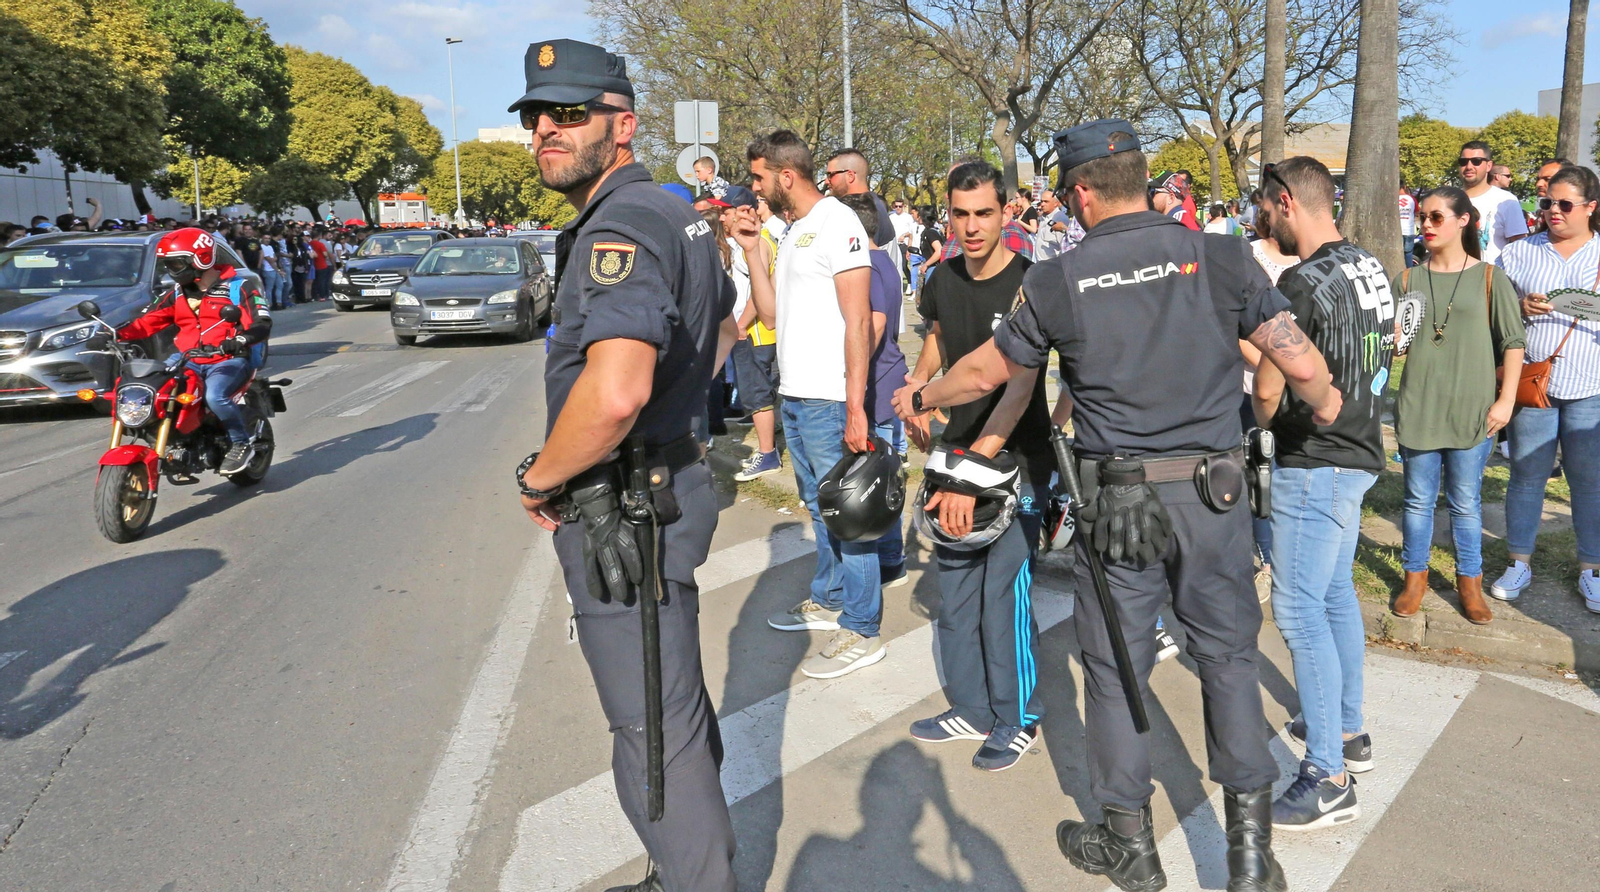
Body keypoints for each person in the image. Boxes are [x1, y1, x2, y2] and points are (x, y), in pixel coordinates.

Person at [898, 120, 1341, 892]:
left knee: (1113, 671)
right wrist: (1325, 398)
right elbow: (1292, 350)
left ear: (1078, 194)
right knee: (1231, 662)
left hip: (1121, 505)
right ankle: (1250, 858)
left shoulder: (1060, 278)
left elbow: (984, 373)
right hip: (1215, 496)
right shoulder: (1221, 254)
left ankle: (1131, 846)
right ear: (1145, 178)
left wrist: (920, 394)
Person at [510, 39, 740, 892]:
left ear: (624, 125)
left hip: (626, 507)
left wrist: (543, 476)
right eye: (536, 115)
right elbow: (718, 333)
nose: (546, 130)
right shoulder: (677, 214)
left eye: (570, 114)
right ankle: (680, 868)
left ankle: (694, 878)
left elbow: (612, 394)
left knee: (652, 733)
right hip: (663, 484)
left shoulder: (620, 225)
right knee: (672, 704)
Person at [898, 161, 1053, 771]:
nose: (970, 226)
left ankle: (1019, 719)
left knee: (1002, 597)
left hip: (1015, 458)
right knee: (956, 594)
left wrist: (970, 471)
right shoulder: (940, 278)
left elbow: (1018, 389)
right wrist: (917, 387)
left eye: (983, 213)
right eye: (959, 214)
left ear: (1007, 210)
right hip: (954, 451)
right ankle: (971, 707)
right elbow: (938, 334)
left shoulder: (1032, 284)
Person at [1252, 156, 1391, 831]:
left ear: (1285, 201)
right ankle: (1349, 731)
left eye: (1263, 208)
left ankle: (1327, 776)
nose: (1260, 220)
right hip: (1360, 449)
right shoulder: (1368, 264)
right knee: (1334, 596)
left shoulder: (1300, 283)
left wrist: (1253, 390)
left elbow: (1278, 382)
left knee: (1300, 611)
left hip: (1317, 459)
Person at [735, 130, 885, 680]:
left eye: (758, 177)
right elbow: (772, 315)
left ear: (785, 175)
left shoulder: (838, 223)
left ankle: (864, 629)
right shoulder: (796, 230)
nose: (755, 188)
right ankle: (830, 599)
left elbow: (859, 321)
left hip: (827, 398)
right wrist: (752, 251)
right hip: (795, 396)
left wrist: (855, 405)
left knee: (851, 517)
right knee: (821, 510)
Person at [1387, 186, 1527, 623]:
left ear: (1463, 220)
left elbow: (1513, 342)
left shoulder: (1489, 278)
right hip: (1419, 406)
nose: (1426, 225)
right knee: (1417, 501)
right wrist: (1392, 343)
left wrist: (1505, 402)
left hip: (1472, 410)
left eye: (1436, 218)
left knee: (1465, 503)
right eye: (1423, 218)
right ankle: (1415, 578)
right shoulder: (1407, 279)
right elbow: (1397, 347)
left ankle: (1470, 582)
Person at [1491, 165, 1600, 611]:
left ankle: (1591, 569)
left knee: (1589, 482)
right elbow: (1491, 307)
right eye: (1547, 202)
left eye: (1565, 204)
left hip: (1590, 385)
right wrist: (1517, 305)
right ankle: (1519, 561)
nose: (1553, 211)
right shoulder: (1520, 254)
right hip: (1533, 384)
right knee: (1526, 477)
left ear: (1591, 208)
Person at [102, 228, 272, 475]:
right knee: (148, 388)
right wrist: (115, 334)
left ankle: (240, 443)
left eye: (176, 263)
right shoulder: (177, 293)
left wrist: (241, 339)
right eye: (168, 264)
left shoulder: (239, 288)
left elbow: (262, 323)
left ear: (201, 259)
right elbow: (149, 320)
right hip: (187, 358)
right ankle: (172, 435)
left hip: (228, 359)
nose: (171, 270)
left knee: (215, 396)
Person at [839, 192, 911, 584]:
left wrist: (854, 377)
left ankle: (889, 561)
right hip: (885, 381)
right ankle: (890, 557)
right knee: (885, 479)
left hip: (879, 386)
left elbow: (878, 323)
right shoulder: (881, 261)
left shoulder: (870, 264)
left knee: (879, 484)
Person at [1458, 140, 1528, 263]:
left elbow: (1520, 246)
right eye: (1463, 162)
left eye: (1476, 161)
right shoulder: (1449, 200)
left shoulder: (1506, 200)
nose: (1469, 166)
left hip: (1491, 277)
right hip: (1454, 276)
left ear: (1489, 166)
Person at [1399, 180, 1418, 267]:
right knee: (1408, 254)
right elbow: (1417, 212)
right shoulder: (1412, 199)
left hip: (1398, 232)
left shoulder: (1392, 200)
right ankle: (1409, 273)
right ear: (1404, 187)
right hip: (1409, 231)